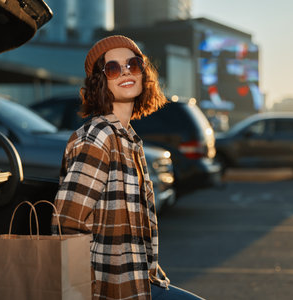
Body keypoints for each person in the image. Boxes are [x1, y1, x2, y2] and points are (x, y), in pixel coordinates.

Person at [52, 35, 204, 300]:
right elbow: (67, 223)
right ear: (100, 82)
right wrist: (81, 292)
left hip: (138, 283)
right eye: (113, 68)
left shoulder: (128, 138)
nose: (125, 72)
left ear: (143, 74)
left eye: (132, 65)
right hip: (108, 290)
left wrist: (152, 271)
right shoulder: (99, 136)